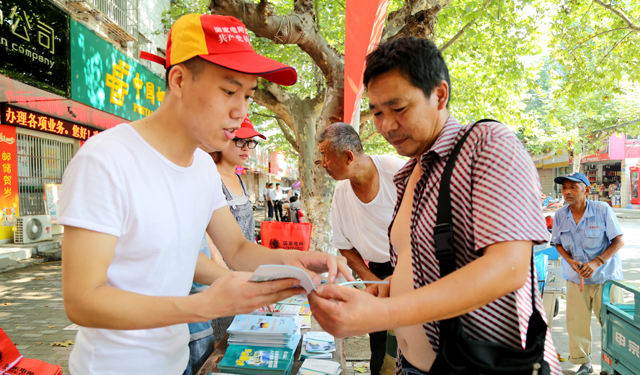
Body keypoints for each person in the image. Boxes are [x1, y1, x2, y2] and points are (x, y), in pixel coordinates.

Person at [59, 14, 351, 375]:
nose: (240, 111)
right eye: (229, 91)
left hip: (176, 362)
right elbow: (82, 300)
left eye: (246, 95)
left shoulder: (201, 168)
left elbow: (238, 250)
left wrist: (300, 264)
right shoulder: (105, 161)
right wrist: (204, 306)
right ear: (179, 80)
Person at [308, 37, 562, 375]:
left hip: (483, 364)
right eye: (377, 113)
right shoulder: (411, 172)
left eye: (399, 109)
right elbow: (427, 268)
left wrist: (383, 314)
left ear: (440, 94)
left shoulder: (487, 146)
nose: (386, 126)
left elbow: (509, 268)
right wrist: (387, 289)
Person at [317, 122, 405, 375]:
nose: (323, 163)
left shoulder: (397, 172)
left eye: (326, 155)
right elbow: (345, 247)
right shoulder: (342, 192)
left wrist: (398, 279)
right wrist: (370, 280)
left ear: (348, 156)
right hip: (375, 273)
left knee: (409, 342)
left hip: (413, 268)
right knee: (380, 347)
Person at [186, 116, 266, 374]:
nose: (245, 147)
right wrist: (233, 283)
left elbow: (243, 243)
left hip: (241, 274)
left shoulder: (239, 179)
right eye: (239, 139)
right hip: (218, 281)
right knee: (219, 354)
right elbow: (210, 246)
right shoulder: (208, 179)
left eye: (250, 142)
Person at [551, 172, 624, 375]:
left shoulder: (602, 209)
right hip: (576, 279)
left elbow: (618, 241)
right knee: (577, 324)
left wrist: (597, 262)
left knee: (613, 325)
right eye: (565, 187)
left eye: (573, 187)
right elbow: (557, 243)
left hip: (606, 279)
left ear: (587, 190)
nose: (567, 191)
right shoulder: (560, 215)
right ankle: (585, 364)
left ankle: (618, 365)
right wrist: (570, 260)